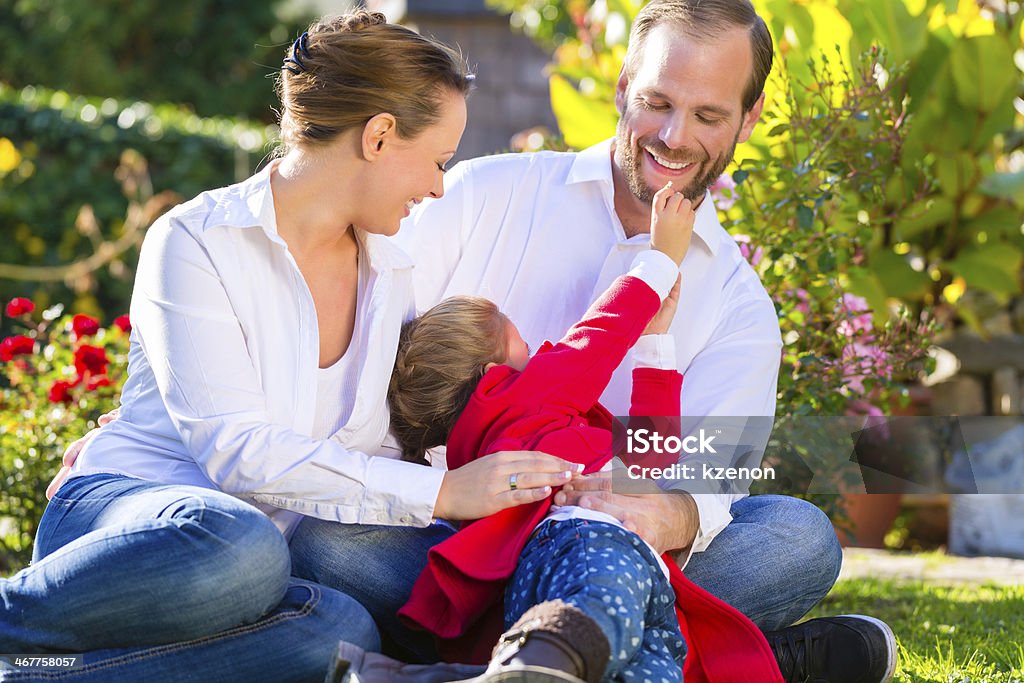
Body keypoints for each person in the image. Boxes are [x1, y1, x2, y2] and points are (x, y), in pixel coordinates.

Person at [7, 11, 579, 683]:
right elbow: (237, 451)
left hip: (258, 563)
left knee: (338, 631)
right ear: (379, 135)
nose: (437, 186)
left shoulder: (395, 270)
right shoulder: (195, 242)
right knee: (241, 546)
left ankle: (32, 672)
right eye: (435, 161)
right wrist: (443, 490)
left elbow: (381, 456)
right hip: (137, 524)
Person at [386, 1, 897, 681]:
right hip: (461, 538)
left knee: (795, 539)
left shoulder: (739, 308)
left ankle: (517, 654)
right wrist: (655, 271)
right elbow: (577, 350)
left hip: (616, 541)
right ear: (624, 84)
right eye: (657, 101)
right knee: (339, 546)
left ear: (749, 117)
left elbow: (684, 469)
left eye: (709, 116)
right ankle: (735, 657)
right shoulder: (480, 195)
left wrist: (668, 514)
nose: (673, 137)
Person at [389, 183, 697, 682]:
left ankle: (534, 662)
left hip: (573, 573)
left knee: (642, 665)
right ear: (494, 365)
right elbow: (599, 335)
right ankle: (533, 663)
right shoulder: (521, 396)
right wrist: (661, 259)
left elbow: (652, 461)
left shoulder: (482, 458)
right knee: (591, 619)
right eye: (525, 341)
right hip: (586, 542)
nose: (542, 350)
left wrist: (655, 341)